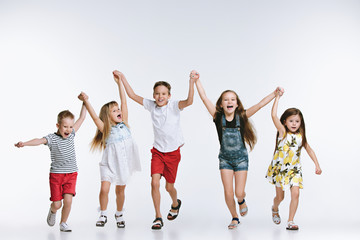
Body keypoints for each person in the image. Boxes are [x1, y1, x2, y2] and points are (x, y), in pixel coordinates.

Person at [194, 76, 282, 229]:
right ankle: (234, 217)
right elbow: (203, 97)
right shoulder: (217, 117)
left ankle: (241, 200)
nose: (229, 102)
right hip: (225, 160)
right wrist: (196, 80)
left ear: (237, 103)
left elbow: (260, 104)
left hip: (241, 159)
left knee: (239, 192)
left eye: (233, 99)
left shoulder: (242, 117)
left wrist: (274, 94)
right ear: (221, 104)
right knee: (228, 193)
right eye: (226, 99)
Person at [119, 70, 198, 229]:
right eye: (157, 93)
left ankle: (175, 203)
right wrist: (122, 77)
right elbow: (132, 95)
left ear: (169, 95)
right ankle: (158, 216)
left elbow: (189, 101)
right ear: (153, 95)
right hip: (157, 152)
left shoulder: (174, 106)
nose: (160, 96)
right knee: (154, 183)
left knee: (169, 187)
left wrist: (191, 82)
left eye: (163, 93)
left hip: (173, 153)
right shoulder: (151, 105)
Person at [78, 71, 141, 228]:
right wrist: (86, 101)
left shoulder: (125, 123)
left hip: (123, 164)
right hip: (109, 164)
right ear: (107, 116)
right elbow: (94, 117)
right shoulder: (105, 128)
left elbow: (124, 102)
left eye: (118, 109)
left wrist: (119, 82)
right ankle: (103, 214)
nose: (119, 111)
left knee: (120, 191)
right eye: (114, 110)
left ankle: (119, 214)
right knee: (104, 189)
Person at [14, 104, 87, 232]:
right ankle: (53, 210)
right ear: (58, 126)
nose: (69, 129)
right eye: (65, 126)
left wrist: (85, 102)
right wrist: (24, 144)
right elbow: (38, 140)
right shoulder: (52, 138)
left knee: (68, 201)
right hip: (56, 176)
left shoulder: (71, 135)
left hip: (71, 174)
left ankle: (63, 223)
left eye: (70, 126)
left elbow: (82, 118)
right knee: (57, 204)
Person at [266, 89, 322, 230]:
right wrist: (277, 97)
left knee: (296, 194)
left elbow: (309, 149)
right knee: (280, 197)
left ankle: (290, 221)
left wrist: (317, 164)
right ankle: (274, 208)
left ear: (300, 122)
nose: (294, 123)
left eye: (297, 121)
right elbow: (273, 116)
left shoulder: (301, 136)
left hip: (294, 170)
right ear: (284, 122)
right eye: (291, 121)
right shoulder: (283, 132)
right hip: (280, 170)